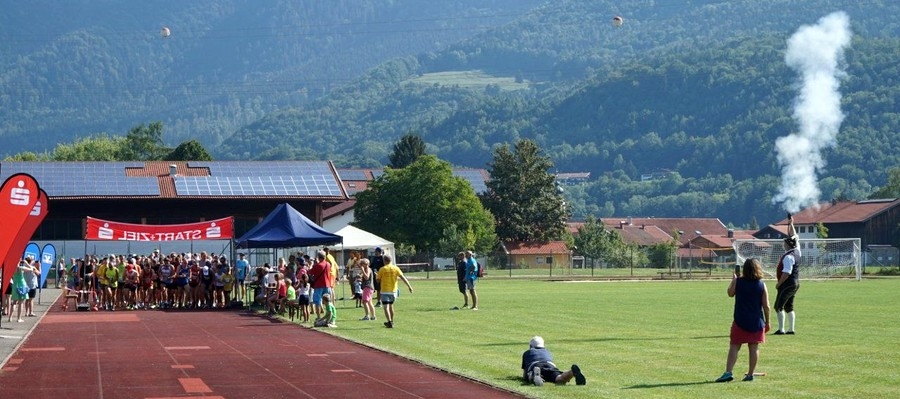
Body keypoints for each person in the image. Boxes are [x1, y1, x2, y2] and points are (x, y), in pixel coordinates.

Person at [716, 258, 771, 382]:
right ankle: (750, 374)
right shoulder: (761, 284)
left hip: (740, 320)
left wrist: (734, 281)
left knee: (734, 346)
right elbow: (766, 306)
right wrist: (768, 322)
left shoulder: (739, 282)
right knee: (754, 347)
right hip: (756, 321)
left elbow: (730, 293)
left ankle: (728, 372)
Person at [773, 213, 801, 335]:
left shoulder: (788, 257)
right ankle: (791, 329)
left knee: (778, 306)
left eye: (785, 243)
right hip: (795, 283)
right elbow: (794, 236)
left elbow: (786, 273)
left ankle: (781, 329)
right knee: (789, 307)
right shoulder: (797, 251)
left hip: (787, 284)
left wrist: (779, 284)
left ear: (788, 245)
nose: (783, 244)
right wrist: (791, 224)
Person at [521, 336, 586, 386]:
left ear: (531, 346)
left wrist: (526, 377)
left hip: (535, 365)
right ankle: (571, 372)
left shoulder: (527, 352)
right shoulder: (547, 352)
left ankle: (535, 375)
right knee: (560, 378)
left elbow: (524, 373)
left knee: (529, 375)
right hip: (550, 365)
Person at [375, 254, 413, 328]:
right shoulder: (395, 268)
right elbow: (403, 277)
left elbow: (378, 280)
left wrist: (376, 275)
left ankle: (389, 322)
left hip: (385, 290)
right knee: (391, 306)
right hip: (393, 291)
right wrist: (409, 286)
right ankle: (391, 321)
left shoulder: (382, 269)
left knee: (386, 307)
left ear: (384, 260)